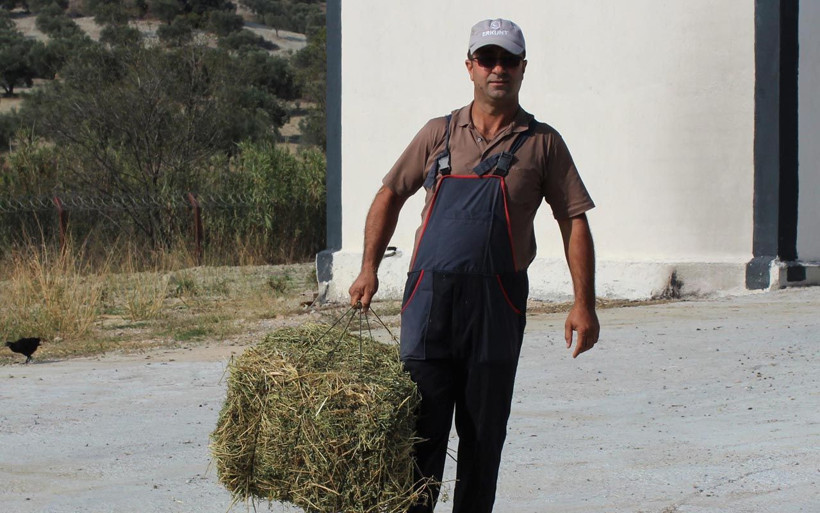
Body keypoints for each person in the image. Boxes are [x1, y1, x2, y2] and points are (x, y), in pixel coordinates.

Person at [348, 18, 600, 513]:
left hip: (496, 307)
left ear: (523, 68)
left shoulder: (543, 143)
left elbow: (574, 220)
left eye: (508, 60)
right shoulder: (437, 133)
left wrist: (583, 304)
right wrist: (368, 268)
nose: (497, 69)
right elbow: (389, 195)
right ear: (470, 67)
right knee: (418, 437)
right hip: (429, 305)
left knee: (483, 441)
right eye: (487, 59)